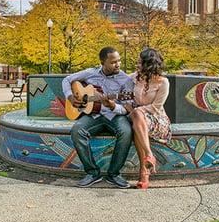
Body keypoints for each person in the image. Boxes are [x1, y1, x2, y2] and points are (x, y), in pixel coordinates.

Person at [62, 47, 134, 188]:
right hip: (93, 115)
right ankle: (93, 172)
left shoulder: (125, 80)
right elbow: (67, 79)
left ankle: (114, 174)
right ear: (102, 62)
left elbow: (126, 107)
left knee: (126, 132)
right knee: (77, 130)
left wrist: (112, 106)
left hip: (115, 115)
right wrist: (70, 97)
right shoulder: (91, 73)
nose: (118, 64)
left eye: (119, 61)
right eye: (113, 62)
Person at [124, 48, 171, 189]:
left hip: (157, 119)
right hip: (137, 116)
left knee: (138, 118)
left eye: (140, 61)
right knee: (138, 120)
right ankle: (148, 160)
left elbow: (156, 107)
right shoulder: (133, 78)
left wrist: (136, 111)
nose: (137, 63)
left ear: (148, 64)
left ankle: (144, 170)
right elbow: (123, 94)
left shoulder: (163, 82)